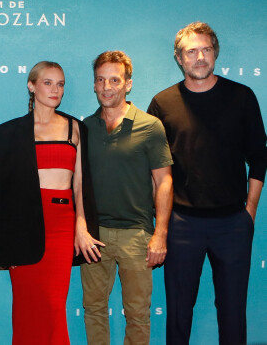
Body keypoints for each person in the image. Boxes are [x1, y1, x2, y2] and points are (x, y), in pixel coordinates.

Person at [148, 22, 267, 345]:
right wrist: (162, 225)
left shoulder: (241, 97)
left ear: (215, 53)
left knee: (232, 315)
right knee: (178, 315)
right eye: (191, 51)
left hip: (232, 224)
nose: (200, 57)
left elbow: (259, 157)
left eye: (206, 49)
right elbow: (156, 171)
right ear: (179, 58)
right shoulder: (162, 103)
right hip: (182, 224)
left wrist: (250, 212)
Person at [0, 61, 101, 345]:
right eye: (48, 82)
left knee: (53, 305)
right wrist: (0, 243)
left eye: (60, 84)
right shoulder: (8, 132)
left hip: (61, 225)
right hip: (20, 229)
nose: (55, 89)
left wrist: (81, 227)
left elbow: (81, 185)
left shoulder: (76, 128)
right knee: (26, 308)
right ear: (31, 86)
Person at [81, 51, 173, 344]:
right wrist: (80, 229)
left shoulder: (150, 126)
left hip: (137, 234)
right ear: (94, 84)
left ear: (128, 84)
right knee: (94, 309)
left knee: (137, 312)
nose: (107, 87)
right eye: (101, 80)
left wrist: (160, 234)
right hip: (94, 236)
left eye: (115, 80)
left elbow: (164, 181)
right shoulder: (84, 128)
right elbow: (77, 184)